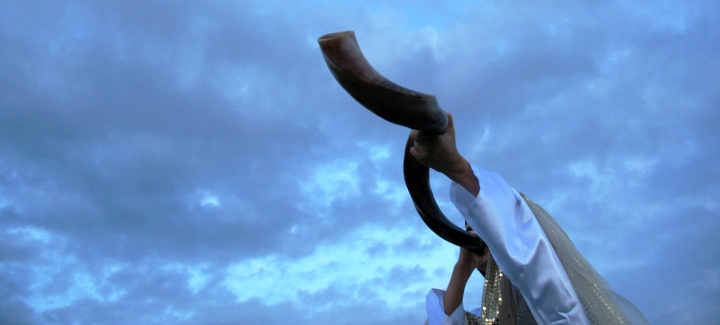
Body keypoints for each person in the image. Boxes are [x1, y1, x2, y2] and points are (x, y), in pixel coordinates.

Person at [411, 113, 647, 325]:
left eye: (486, 227)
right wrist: (463, 266)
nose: (479, 236)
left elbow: (547, 285)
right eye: (471, 230)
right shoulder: (488, 317)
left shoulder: (551, 300)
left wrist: (457, 168)